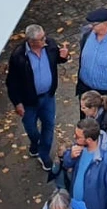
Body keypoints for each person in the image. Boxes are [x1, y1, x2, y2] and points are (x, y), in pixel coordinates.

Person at [7, 25, 71, 173]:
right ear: (31, 41)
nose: (46, 40)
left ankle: (43, 153)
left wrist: (65, 56)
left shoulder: (50, 44)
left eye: (44, 36)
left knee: (49, 125)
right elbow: (12, 82)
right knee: (31, 128)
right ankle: (35, 143)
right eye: (41, 39)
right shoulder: (18, 56)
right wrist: (17, 103)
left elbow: (59, 59)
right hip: (29, 102)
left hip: (48, 96)